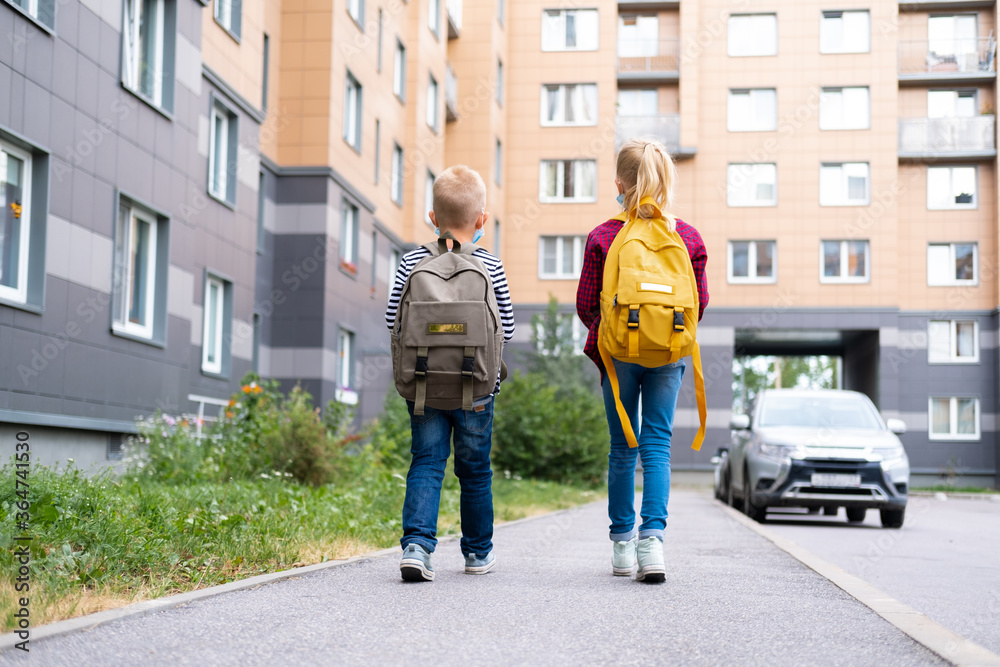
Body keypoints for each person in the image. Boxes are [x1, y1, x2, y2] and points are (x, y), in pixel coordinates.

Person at [575, 139, 709, 582]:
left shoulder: (603, 235)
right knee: (656, 445)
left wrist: (618, 333)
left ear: (619, 183)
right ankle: (653, 545)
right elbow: (699, 303)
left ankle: (621, 547)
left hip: (617, 356)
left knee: (621, 448)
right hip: (667, 353)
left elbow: (585, 306)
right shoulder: (687, 237)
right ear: (666, 182)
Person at [385, 165, 515, 581]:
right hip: (476, 388)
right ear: (481, 220)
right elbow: (506, 327)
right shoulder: (490, 265)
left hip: (422, 386)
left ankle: (417, 548)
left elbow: (394, 320)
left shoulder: (410, 261)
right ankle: (477, 554)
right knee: (475, 470)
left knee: (426, 462)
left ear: (432, 217)